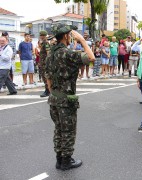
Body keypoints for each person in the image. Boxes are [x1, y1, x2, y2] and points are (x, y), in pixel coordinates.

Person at [45, 24, 95, 170]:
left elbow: (48, 78)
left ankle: (59, 159)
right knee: (68, 131)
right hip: (66, 99)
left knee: (58, 129)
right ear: (66, 36)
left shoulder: (51, 54)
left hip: (54, 98)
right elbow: (91, 57)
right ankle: (66, 161)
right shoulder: (68, 53)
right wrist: (83, 41)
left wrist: (54, 92)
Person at [39, 30, 51, 97]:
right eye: (41, 35)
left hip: (45, 63)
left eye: (43, 35)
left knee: (45, 77)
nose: (41, 37)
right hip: (42, 62)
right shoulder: (43, 43)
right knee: (44, 77)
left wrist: (47, 63)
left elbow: (48, 53)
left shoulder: (46, 43)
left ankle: (48, 90)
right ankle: (47, 89)